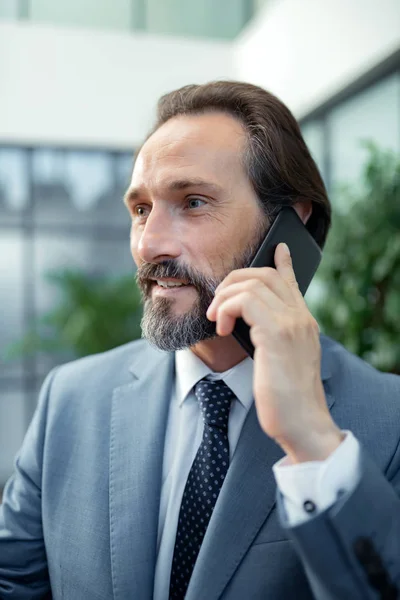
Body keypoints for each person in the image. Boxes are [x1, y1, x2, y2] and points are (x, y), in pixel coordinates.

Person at [0, 81, 399, 600]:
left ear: (290, 226)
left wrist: (312, 444)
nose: (149, 244)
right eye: (141, 209)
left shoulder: (388, 422)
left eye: (192, 202)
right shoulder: (68, 401)